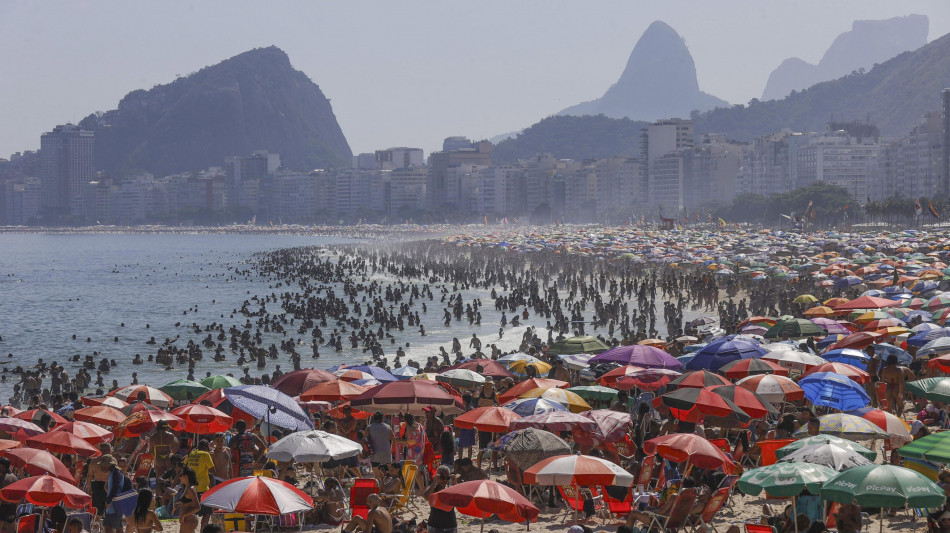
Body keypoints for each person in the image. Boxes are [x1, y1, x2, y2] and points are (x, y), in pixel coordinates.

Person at [183, 440, 215, 530]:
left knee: (192, 513)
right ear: (206, 447)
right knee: (207, 513)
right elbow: (213, 470)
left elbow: (184, 466)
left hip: (190, 489)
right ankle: (202, 530)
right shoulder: (205, 454)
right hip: (203, 488)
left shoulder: (191, 454)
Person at [422, 466, 456, 533]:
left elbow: (462, 499)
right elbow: (426, 496)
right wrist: (434, 482)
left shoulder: (451, 489)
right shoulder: (434, 489)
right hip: (435, 525)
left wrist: (455, 484)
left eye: (447, 478)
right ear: (437, 477)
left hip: (450, 525)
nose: (445, 480)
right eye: (442, 477)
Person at [366, 412, 393, 478]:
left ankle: (379, 487)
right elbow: (393, 439)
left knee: (376, 475)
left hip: (375, 454)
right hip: (386, 453)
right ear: (382, 418)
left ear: (374, 418)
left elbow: (365, 439)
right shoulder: (388, 427)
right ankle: (388, 486)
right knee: (389, 473)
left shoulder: (369, 427)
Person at [177, 467, 200, 533]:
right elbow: (188, 502)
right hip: (187, 519)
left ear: (186, 476)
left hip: (189, 519)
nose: (179, 477)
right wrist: (180, 504)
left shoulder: (191, 489)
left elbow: (198, 507)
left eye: (180, 475)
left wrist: (184, 515)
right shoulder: (186, 488)